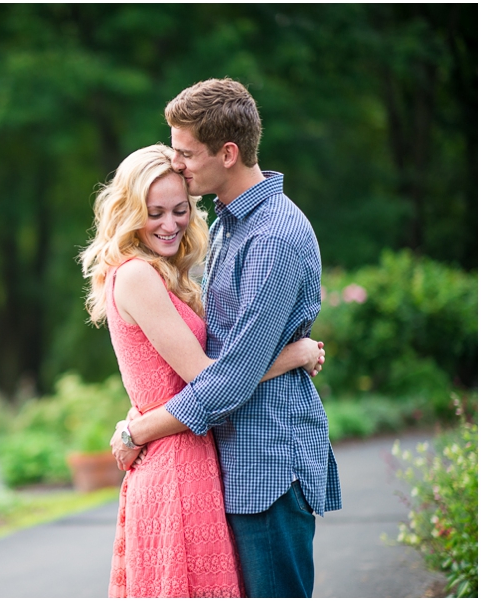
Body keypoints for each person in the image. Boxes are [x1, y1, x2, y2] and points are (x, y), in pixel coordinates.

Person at [110, 78, 342, 598]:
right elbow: (217, 358)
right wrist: (291, 354)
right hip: (227, 465)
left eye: (187, 152)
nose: (178, 162)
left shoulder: (273, 236)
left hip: (266, 466)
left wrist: (139, 431)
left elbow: (227, 379)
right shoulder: (228, 226)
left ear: (228, 152)